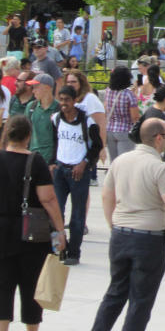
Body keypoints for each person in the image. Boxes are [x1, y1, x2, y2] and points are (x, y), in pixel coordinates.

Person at [83, 118, 165, 331]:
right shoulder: (160, 168)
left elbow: (107, 196)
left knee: (115, 293)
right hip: (148, 238)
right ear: (157, 138)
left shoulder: (120, 162)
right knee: (140, 300)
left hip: (121, 233)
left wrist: (114, 224)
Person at [0, 115, 67, 331]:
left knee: (3, 284)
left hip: (2, 230)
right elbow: (48, 199)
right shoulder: (35, 162)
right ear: (29, 136)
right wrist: (59, 230)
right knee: (31, 284)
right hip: (31, 232)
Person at [51, 85, 103, 265]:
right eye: (61, 99)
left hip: (78, 172)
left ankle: (74, 253)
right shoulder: (56, 118)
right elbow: (54, 141)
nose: (63, 104)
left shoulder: (87, 122)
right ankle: (57, 250)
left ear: (74, 101)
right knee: (56, 212)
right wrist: (53, 163)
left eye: (67, 100)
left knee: (78, 214)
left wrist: (84, 163)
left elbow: (97, 146)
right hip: (60, 170)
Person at [103, 65, 140, 161]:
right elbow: (135, 117)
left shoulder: (108, 91)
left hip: (110, 129)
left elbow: (105, 110)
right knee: (124, 163)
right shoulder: (129, 95)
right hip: (125, 130)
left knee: (114, 162)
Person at [25, 74, 58, 166]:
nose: (33, 91)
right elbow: (25, 132)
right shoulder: (31, 107)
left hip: (51, 162)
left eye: (36, 87)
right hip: (32, 159)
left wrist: (54, 162)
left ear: (47, 87)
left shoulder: (59, 109)